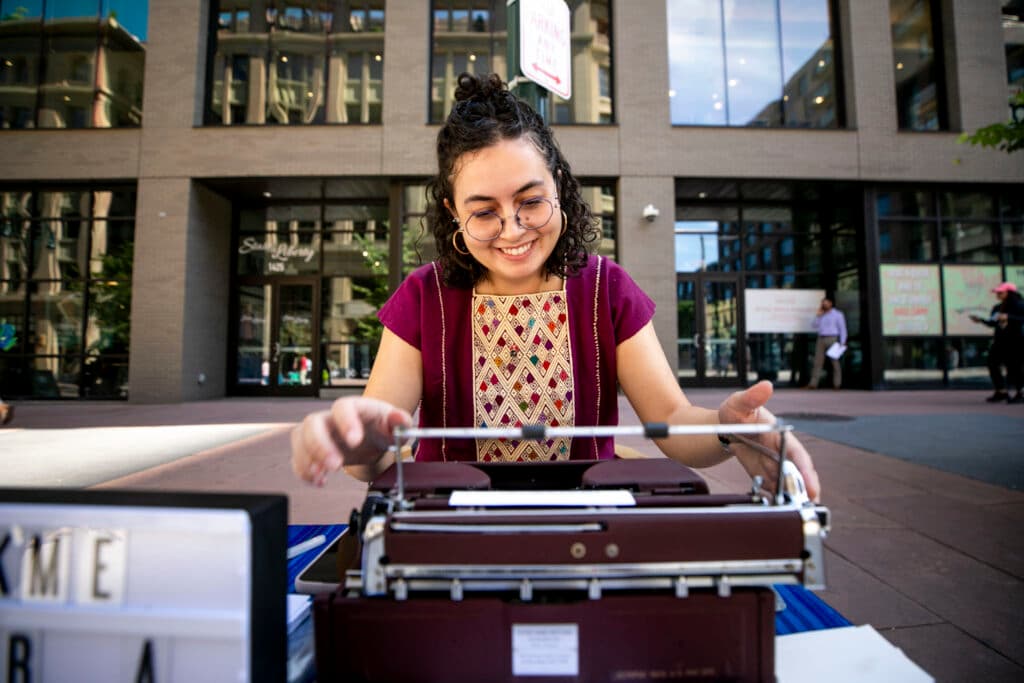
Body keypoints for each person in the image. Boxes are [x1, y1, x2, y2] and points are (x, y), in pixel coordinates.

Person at [290, 73, 820, 501]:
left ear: (560, 187)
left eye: (530, 201)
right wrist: (355, 439)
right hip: (449, 530)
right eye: (484, 212)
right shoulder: (422, 298)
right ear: (453, 213)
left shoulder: (606, 289)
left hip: (592, 519)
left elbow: (672, 422)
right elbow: (375, 458)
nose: (513, 230)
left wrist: (726, 429)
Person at [970, 282, 1024, 403]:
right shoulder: (997, 307)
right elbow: (993, 322)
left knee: (1014, 367)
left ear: (1009, 293)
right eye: (997, 292)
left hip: (1016, 341)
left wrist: (1009, 317)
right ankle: (1001, 391)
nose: (997, 295)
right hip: (1000, 341)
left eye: (1000, 292)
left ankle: (1020, 392)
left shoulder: (1019, 305)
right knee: (992, 363)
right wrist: (981, 320)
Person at [805, 296, 846, 390]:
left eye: (826, 302)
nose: (824, 304)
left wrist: (843, 341)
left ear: (831, 303)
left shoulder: (838, 314)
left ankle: (837, 384)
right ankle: (813, 384)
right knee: (817, 362)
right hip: (821, 339)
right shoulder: (821, 315)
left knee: (835, 362)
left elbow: (842, 329)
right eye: (823, 303)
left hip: (833, 338)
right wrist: (818, 316)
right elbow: (814, 325)